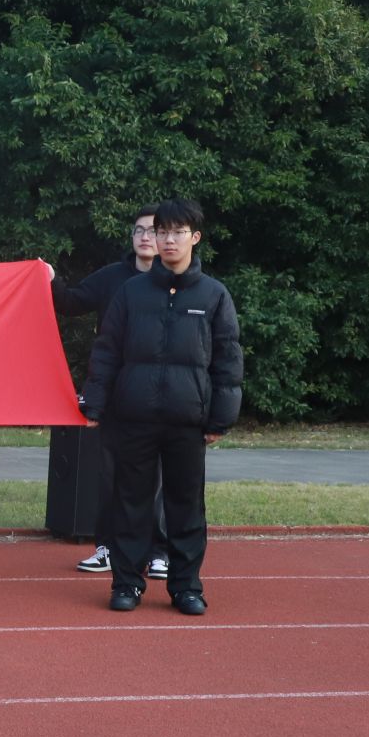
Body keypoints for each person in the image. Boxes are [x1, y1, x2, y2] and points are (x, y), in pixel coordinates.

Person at [82, 197, 242, 615]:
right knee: (130, 504)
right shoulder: (131, 292)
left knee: (185, 507)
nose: (168, 240)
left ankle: (186, 587)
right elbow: (107, 350)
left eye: (177, 232)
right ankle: (127, 584)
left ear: (195, 237)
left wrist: (221, 418)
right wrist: (95, 403)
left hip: (187, 421)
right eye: (162, 232)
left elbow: (227, 359)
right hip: (133, 417)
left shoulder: (214, 295)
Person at [52, 209, 171, 580]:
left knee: (157, 475)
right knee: (110, 474)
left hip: (160, 392)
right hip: (116, 392)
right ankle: (107, 547)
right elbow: (70, 303)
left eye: (152, 230)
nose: (145, 237)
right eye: (138, 230)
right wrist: (48, 278)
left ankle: (159, 552)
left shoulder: (178, 281)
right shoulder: (112, 277)